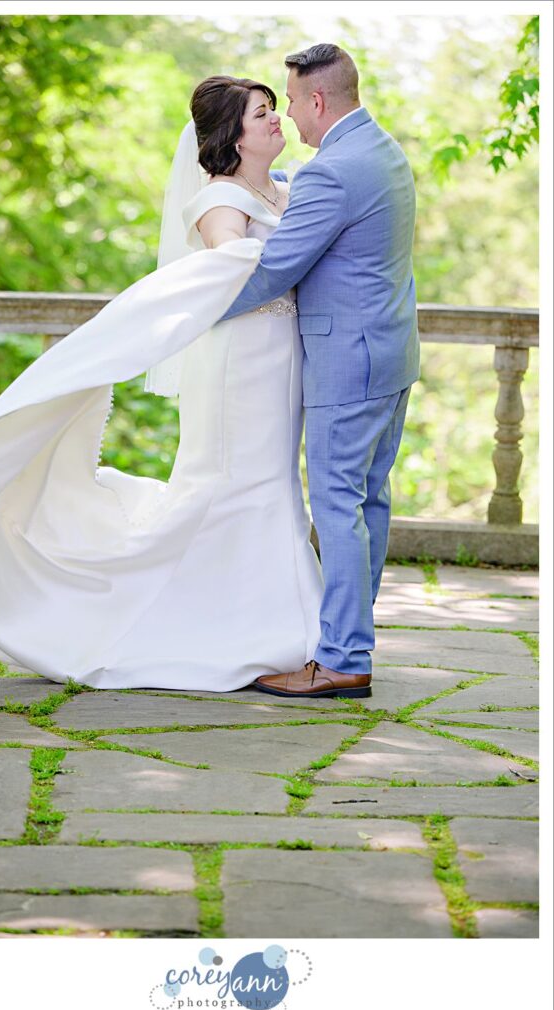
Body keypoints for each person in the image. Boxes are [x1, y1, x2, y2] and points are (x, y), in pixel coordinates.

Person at [0, 74, 334, 694]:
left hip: (280, 365)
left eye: (275, 109)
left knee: (273, 482)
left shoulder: (284, 191)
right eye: (261, 112)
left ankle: (267, 626)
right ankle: (259, 634)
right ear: (232, 134)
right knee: (236, 484)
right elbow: (229, 257)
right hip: (236, 369)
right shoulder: (220, 200)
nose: (276, 118)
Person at [221, 43, 420, 699]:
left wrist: (205, 309)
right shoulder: (383, 150)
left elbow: (279, 267)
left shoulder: (332, 171)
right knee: (367, 500)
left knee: (337, 505)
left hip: (347, 361)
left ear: (316, 99)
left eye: (292, 104)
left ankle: (340, 657)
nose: (291, 123)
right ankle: (350, 642)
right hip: (389, 353)